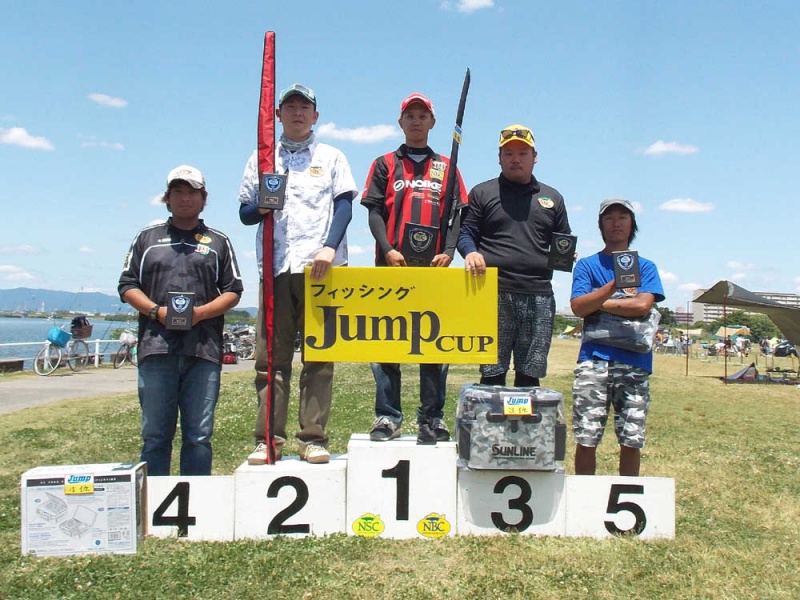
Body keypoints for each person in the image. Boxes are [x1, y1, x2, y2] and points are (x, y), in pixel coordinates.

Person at [238, 83, 358, 465]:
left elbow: (344, 208)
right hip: (275, 268)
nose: (297, 113)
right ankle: (268, 439)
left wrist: (328, 247)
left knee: (319, 358)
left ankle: (313, 437)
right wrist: (262, 205)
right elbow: (244, 214)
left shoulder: (333, 156)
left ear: (315, 115)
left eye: (304, 107)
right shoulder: (262, 157)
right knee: (270, 360)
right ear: (278, 115)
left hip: (320, 269)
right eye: (289, 106)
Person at [118, 165, 243, 476]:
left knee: (199, 437)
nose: (185, 198)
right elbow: (126, 285)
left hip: (203, 351)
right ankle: (154, 512)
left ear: (203, 198)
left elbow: (233, 291)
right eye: (178, 192)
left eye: (192, 192)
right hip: (155, 349)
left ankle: (195, 516)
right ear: (167, 198)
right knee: (155, 437)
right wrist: (154, 311)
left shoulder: (219, 241)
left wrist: (201, 313)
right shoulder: (147, 239)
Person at [361, 92, 468, 445]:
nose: (417, 120)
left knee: (434, 345)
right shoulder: (383, 164)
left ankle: (432, 417)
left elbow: (457, 215)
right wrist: (388, 249)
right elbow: (374, 212)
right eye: (410, 115)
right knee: (387, 344)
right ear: (401, 121)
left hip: (433, 271)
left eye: (423, 115)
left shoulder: (448, 168)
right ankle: (388, 416)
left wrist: (450, 251)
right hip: (392, 268)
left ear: (433, 123)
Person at [458, 124, 571, 388]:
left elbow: (563, 240)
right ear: (499, 157)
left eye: (522, 152)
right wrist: (471, 251)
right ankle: (490, 430)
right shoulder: (482, 192)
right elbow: (466, 233)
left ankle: (525, 429)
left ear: (535, 156)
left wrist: (566, 253)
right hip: (492, 292)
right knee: (492, 374)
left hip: (539, 295)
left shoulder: (552, 198)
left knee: (529, 376)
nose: (515, 158)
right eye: (508, 153)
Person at [570, 198, 665, 476]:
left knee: (631, 438)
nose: (616, 223)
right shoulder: (587, 265)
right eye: (609, 218)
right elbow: (578, 307)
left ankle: (629, 497)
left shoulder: (646, 267)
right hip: (594, 360)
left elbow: (642, 306)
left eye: (623, 217)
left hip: (635, 361)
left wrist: (597, 302)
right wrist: (615, 286)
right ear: (601, 225)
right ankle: (584, 497)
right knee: (586, 436)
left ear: (632, 224)